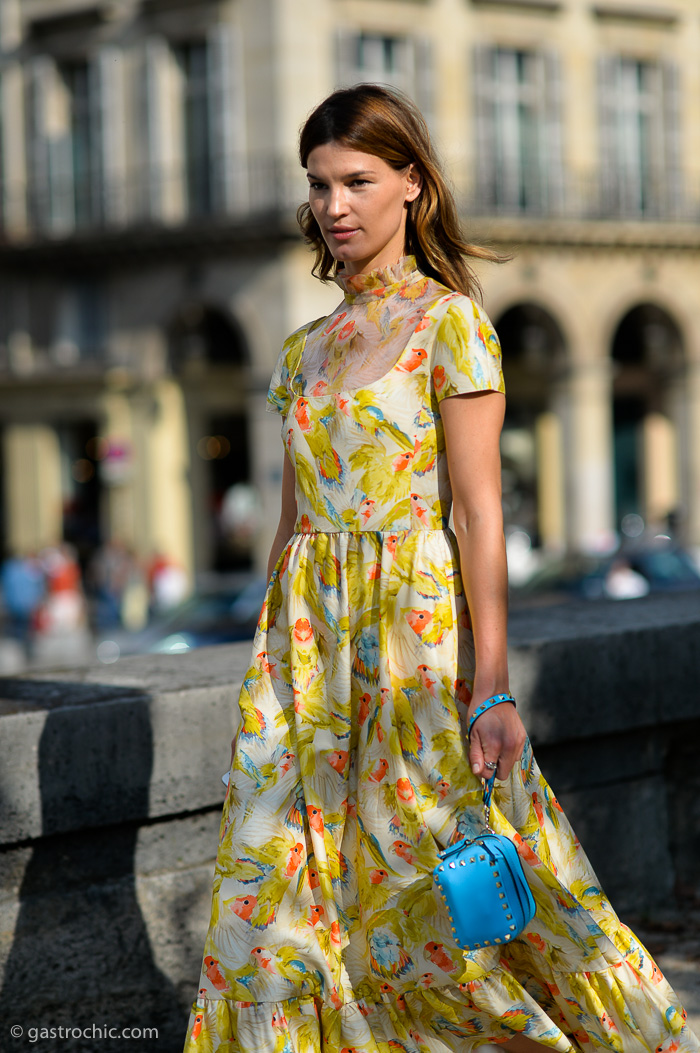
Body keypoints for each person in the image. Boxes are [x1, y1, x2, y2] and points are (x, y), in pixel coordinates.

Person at [184, 85, 698, 1053]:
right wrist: (269, 670)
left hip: (414, 651)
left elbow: (476, 510)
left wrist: (490, 684)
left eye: (357, 181)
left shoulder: (449, 325)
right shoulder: (300, 354)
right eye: (319, 185)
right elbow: (294, 526)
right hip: (306, 654)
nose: (335, 204)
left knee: (428, 907)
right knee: (268, 895)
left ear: (411, 186)